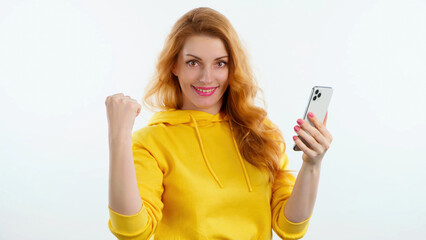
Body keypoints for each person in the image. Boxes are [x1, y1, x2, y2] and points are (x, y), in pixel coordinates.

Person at [105, 7, 333, 240]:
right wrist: (119, 138)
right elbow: (131, 230)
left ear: (232, 67)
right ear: (174, 65)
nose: (207, 77)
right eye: (193, 63)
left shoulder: (262, 133)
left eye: (220, 63)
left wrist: (312, 164)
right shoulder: (151, 142)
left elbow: (289, 227)